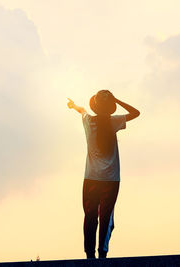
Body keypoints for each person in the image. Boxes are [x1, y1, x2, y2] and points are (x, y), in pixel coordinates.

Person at [67, 90, 140, 259]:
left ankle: (89, 255)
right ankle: (103, 253)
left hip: (91, 177)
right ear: (110, 108)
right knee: (106, 218)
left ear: (96, 106)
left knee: (90, 217)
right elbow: (136, 113)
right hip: (111, 179)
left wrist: (73, 106)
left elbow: (82, 110)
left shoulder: (88, 120)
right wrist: (117, 100)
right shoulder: (113, 121)